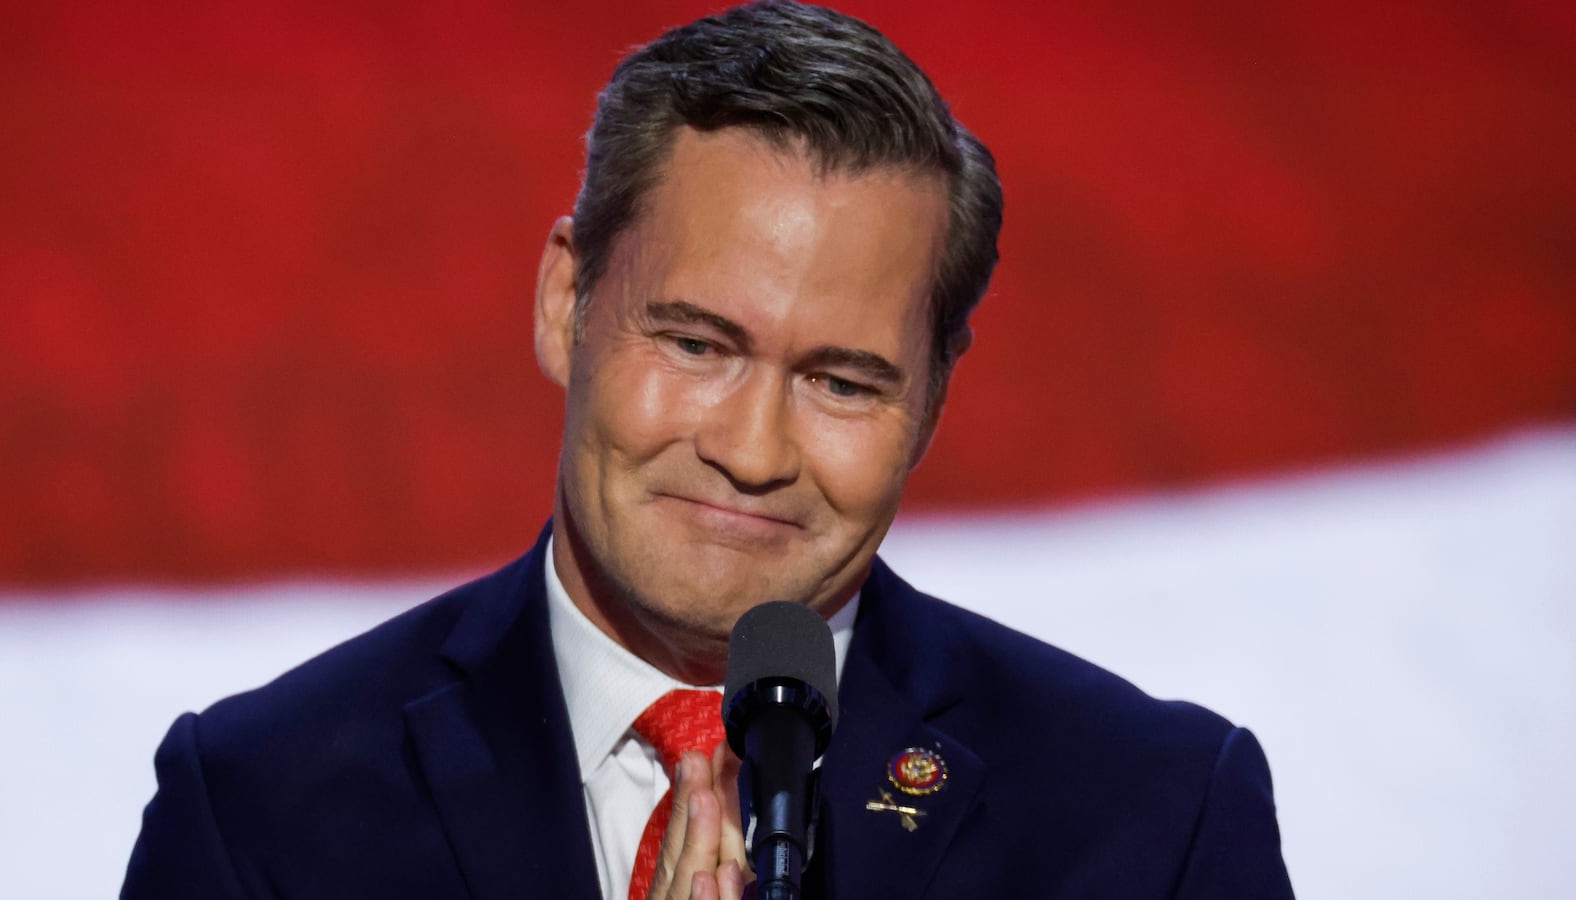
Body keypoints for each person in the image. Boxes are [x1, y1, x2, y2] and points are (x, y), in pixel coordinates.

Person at [122, 3, 1294, 898]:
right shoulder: (262, 817)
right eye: (695, 343)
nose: (750, 449)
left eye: (841, 381)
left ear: (934, 399)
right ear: (564, 301)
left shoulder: (1153, 823)